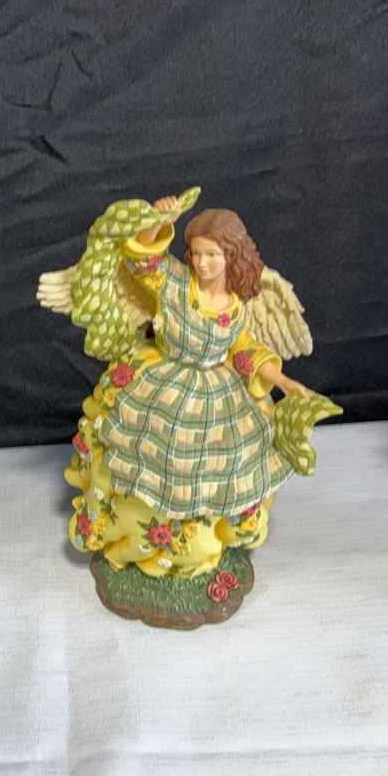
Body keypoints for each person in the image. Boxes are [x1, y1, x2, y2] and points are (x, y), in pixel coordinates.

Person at [67, 198, 316, 577]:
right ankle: (145, 522)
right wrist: (158, 222)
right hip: (165, 380)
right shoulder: (175, 281)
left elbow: (244, 352)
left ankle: (193, 529)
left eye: (212, 254)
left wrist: (283, 381)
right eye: (197, 253)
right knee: (154, 451)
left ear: (231, 254)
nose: (202, 263)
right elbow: (141, 261)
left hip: (216, 390)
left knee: (211, 461)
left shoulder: (238, 305)